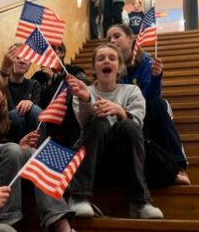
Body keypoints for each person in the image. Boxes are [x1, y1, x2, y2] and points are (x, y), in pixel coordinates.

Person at [0, 69, 101, 232]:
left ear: (3, 94)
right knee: (13, 149)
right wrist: (12, 150)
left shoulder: (8, 124)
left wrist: (20, 148)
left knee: (31, 152)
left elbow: (11, 158)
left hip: (7, 182)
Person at [66, 43, 164, 219]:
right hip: (93, 158)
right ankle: (78, 197)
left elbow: (137, 126)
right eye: (101, 58)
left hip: (124, 159)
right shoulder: (83, 91)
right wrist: (86, 100)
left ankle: (140, 202)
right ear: (94, 68)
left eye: (112, 58)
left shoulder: (132, 91)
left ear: (119, 67)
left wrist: (120, 111)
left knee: (129, 124)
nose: (106, 61)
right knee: (98, 122)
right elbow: (84, 125)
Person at [106, 24, 191, 185]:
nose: (111, 41)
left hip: (147, 110)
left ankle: (178, 165)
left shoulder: (146, 62)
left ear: (131, 38)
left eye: (117, 36)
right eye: (109, 38)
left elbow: (150, 97)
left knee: (157, 104)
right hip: (125, 118)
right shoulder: (110, 67)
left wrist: (155, 77)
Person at [32, 43, 89, 148]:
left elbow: (81, 87)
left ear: (61, 53)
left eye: (52, 50)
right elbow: (35, 98)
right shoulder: (38, 76)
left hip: (68, 120)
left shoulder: (74, 70)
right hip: (46, 121)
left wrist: (53, 77)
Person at [0, 43, 43, 140]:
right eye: (17, 58)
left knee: (36, 110)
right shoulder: (0, 82)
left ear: (29, 65)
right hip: (9, 134)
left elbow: (37, 113)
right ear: (9, 61)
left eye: (26, 58)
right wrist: (4, 68)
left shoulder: (34, 84)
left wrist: (31, 103)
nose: (22, 61)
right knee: (15, 115)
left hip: (30, 132)